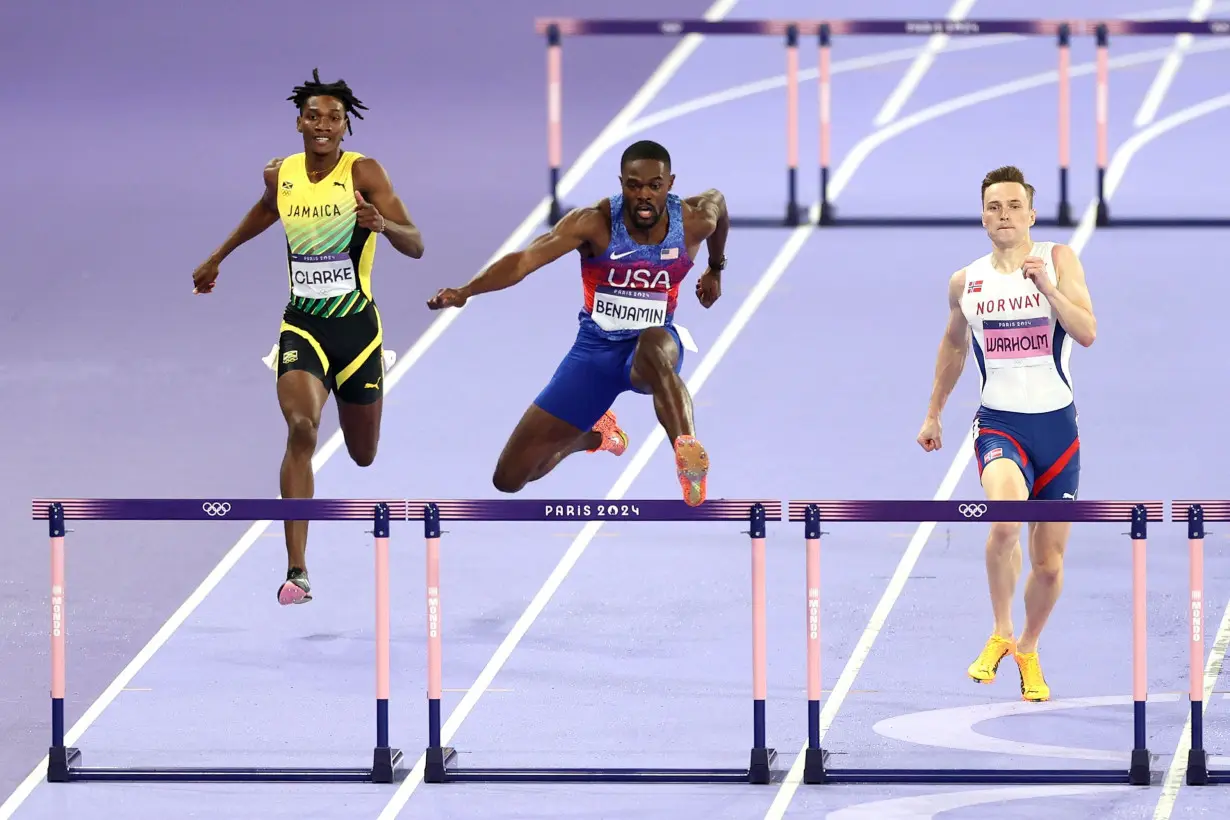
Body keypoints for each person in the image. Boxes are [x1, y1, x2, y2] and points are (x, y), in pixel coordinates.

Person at [191, 69, 424, 606]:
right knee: (301, 426)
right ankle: (298, 570)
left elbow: (416, 245)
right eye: (313, 116)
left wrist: (381, 226)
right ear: (299, 122)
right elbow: (267, 211)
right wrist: (217, 257)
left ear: (345, 128)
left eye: (333, 118)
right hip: (303, 325)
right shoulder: (282, 175)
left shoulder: (364, 173)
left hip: (358, 333)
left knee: (363, 454)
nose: (322, 125)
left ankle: (360, 390)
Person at [427, 140, 727, 506]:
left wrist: (715, 267)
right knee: (510, 478)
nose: (644, 195)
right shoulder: (593, 224)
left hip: (652, 347)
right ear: (621, 184)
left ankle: (687, 453)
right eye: (634, 186)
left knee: (652, 344)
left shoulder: (694, 221)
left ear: (670, 183)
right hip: (594, 353)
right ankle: (595, 436)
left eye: (654, 185)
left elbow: (719, 203)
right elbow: (524, 261)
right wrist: (466, 291)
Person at [916, 165, 1096, 702]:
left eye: (1014, 206)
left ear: (1031, 215)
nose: (1004, 215)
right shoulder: (965, 281)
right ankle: (1000, 630)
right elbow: (952, 347)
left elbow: (1086, 331)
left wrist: (1047, 287)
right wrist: (934, 413)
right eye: (994, 207)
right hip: (1000, 425)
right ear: (983, 216)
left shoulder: (1059, 261)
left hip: (1058, 430)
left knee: (1049, 564)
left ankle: (1028, 646)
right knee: (1004, 520)